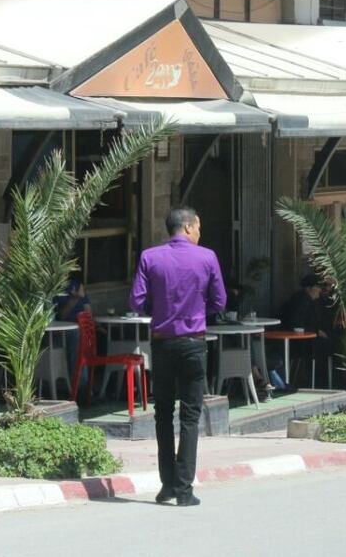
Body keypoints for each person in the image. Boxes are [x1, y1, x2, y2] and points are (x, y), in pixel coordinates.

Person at [130, 206, 225, 507]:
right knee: (190, 415)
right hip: (194, 342)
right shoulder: (207, 257)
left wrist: (160, 311)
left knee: (162, 414)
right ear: (186, 227)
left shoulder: (149, 257)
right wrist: (196, 310)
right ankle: (184, 489)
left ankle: (167, 484)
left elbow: (136, 300)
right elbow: (220, 301)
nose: (199, 233)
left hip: (162, 342)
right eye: (197, 227)